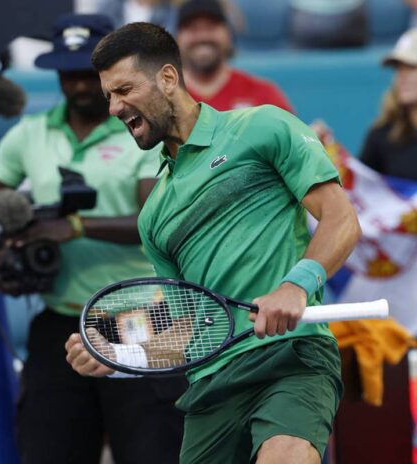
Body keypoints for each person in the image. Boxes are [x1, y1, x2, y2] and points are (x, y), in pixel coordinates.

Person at [65, 22, 362, 463]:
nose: (114, 107)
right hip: (213, 386)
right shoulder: (154, 215)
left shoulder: (262, 126)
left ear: (168, 78)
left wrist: (295, 286)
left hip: (292, 357)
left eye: (124, 90)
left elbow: (342, 219)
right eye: (109, 95)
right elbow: (191, 328)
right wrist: (119, 356)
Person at [0, 14, 188, 464]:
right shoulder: (32, 133)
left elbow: (155, 219)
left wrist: (77, 227)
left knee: (153, 451)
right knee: (48, 450)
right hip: (63, 321)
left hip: (141, 317)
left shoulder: (143, 130)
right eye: (67, 75)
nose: (80, 86)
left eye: (87, 74)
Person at [174, 0, 295, 113]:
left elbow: (290, 128)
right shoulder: (165, 96)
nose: (203, 36)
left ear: (228, 34)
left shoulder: (264, 95)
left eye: (211, 27)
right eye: (193, 29)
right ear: (177, 37)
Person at [359, 28, 417, 181]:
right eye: (398, 69)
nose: (401, 77)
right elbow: (359, 187)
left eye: (411, 67)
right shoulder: (382, 135)